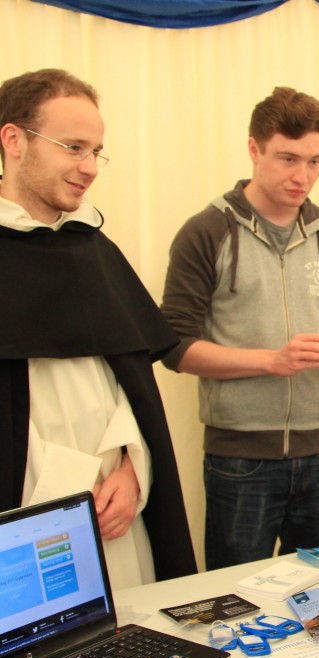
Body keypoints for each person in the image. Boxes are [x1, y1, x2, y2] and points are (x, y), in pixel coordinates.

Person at [0, 68, 196, 587]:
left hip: (118, 516)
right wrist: (68, 488)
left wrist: (133, 469)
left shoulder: (95, 250)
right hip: (29, 518)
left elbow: (130, 391)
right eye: (73, 147)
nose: (89, 168)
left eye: (96, 151)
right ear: (14, 140)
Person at [160, 87, 319, 570]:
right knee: (237, 602)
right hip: (240, 461)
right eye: (288, 159)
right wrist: (271, 362)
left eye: (316, 161)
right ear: (254, 149)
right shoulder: (206, 232)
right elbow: (174, 346)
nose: (303, 177)